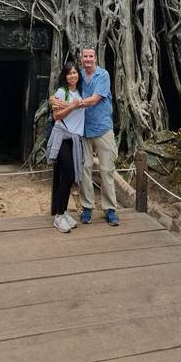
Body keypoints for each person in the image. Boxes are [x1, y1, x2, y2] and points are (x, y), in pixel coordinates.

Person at [51, 46, 119, 225]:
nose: (88, 59)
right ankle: (87, 207)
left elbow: (95, 99)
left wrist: (71, 104)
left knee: (106, 170)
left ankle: (110, 209)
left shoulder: (102, 75)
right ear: (81, 59)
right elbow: (66, 85)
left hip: (103, 128)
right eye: (85, 56)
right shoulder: (79, 75)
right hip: (82, 132)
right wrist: (52, 99)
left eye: (91, 56)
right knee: (85, 169)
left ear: (95, 58)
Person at [46, 61, 85, 233]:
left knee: (68, 177)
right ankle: (59, 216)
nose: (72, 75)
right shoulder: (62, 92)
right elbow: (56, 115)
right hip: (62, 136)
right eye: (69, 73)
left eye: (75, 72)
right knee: (68, 174)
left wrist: (76, 103)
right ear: (65, 76)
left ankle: (64, 211)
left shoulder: (82, 92)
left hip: (75, 139)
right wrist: (72, 106)